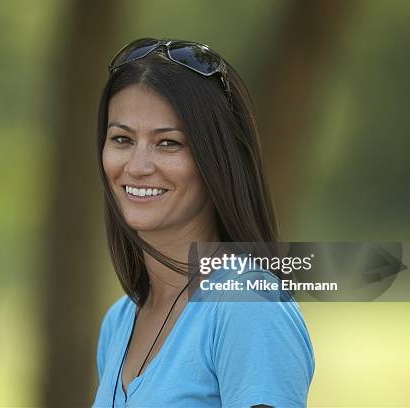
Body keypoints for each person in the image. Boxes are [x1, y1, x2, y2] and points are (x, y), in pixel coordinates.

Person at [92, 37, 315, 407]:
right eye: (121, 139)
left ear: (217, 161)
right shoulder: (120, 321)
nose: (136, 166)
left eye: (169, 144)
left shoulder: (249, 307)